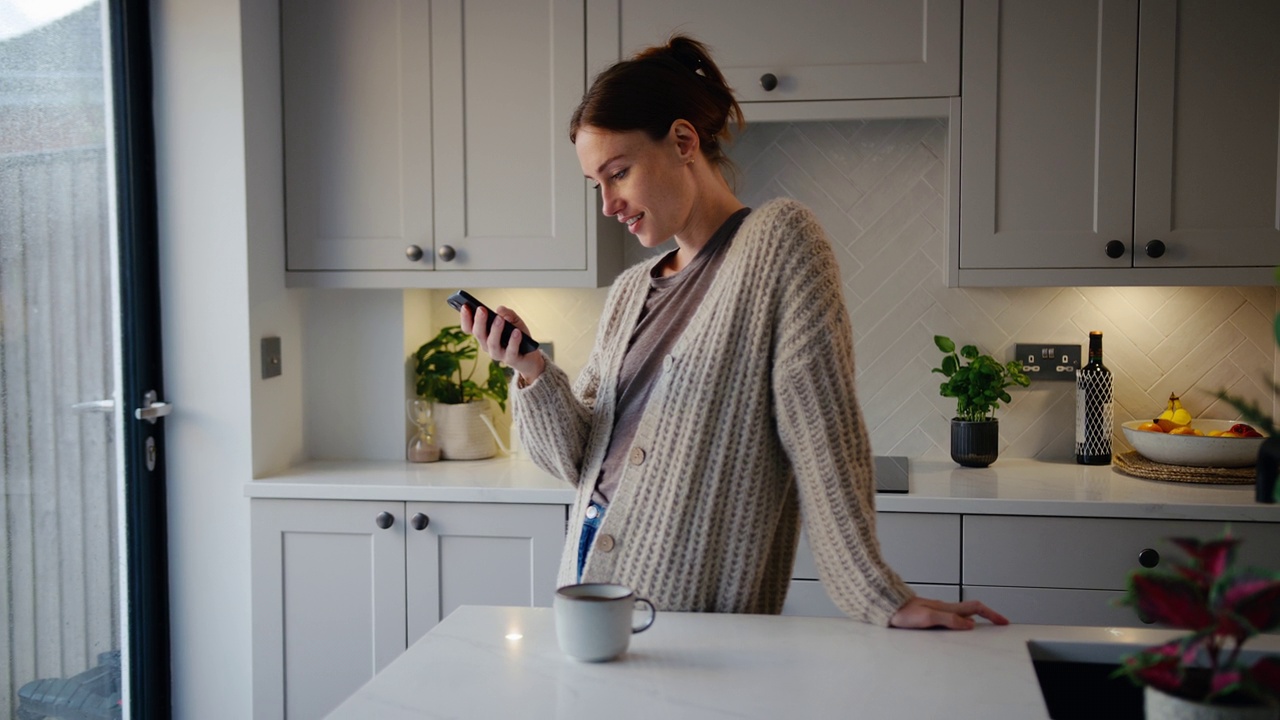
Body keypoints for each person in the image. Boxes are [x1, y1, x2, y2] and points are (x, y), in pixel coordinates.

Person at [459, 35, 1007, 630]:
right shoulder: (628, 293)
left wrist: (878, 593)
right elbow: (577, 461)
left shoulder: (780, 241)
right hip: (585, 585)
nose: (608, 204)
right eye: (596, 184)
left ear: (683, 141)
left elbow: (822, 431)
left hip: (688, 605)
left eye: (618, 173)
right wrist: (531, 371)